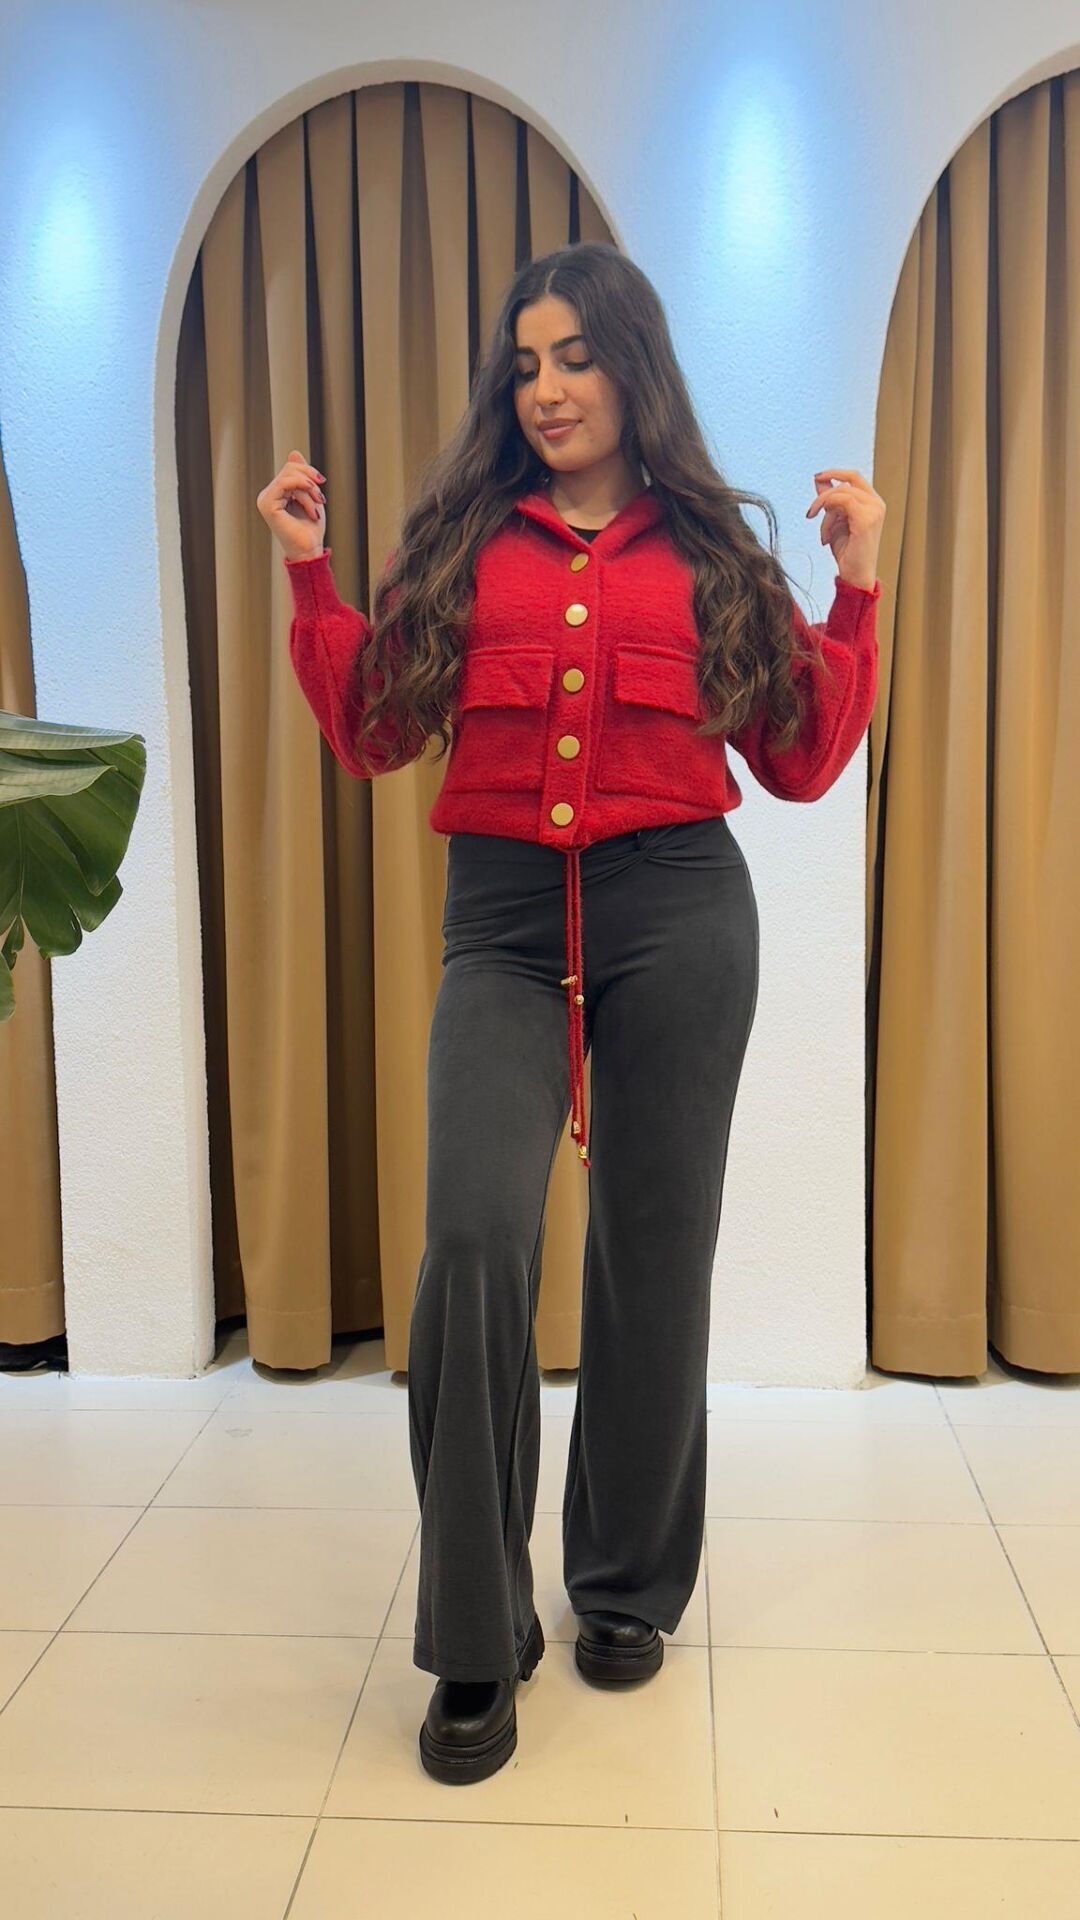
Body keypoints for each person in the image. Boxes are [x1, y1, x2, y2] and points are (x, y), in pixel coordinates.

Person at [257, 241, 885, 1787]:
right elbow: (374, 727)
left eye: (576, 357)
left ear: (633, 368)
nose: (546, 388)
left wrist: (858, 585)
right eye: (525, 363)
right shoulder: (468, 543)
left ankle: (625, 1585)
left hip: (682, 913)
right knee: (474, 1239)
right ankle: (478, 1634)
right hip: (504, 924)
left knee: (653, 1258)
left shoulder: (711, 555)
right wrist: (310, 576)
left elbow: (801, 760)